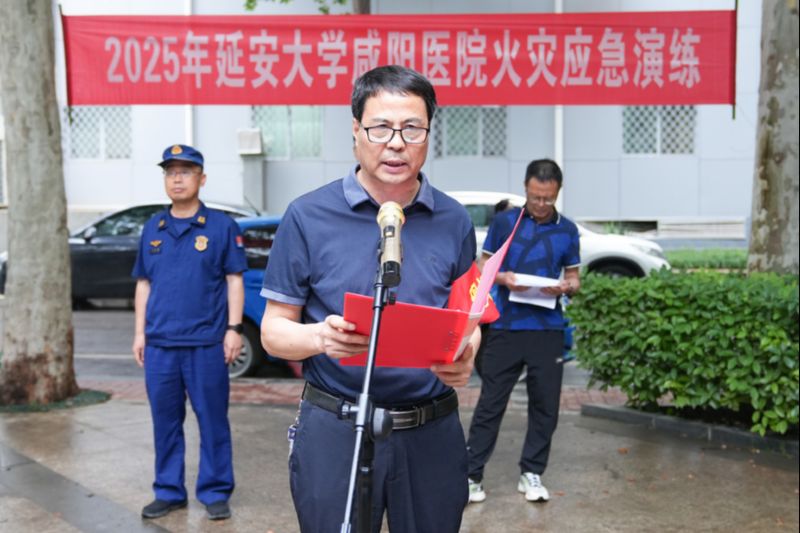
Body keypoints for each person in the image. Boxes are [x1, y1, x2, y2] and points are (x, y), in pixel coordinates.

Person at [260, 65, 481, 533]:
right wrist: (320, 338)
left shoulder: (454, 220)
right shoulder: (307, 216)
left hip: (430, 431)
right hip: (337, 428)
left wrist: (466, 354)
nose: (396, 143)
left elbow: (469, 318)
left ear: (428, 134)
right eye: (381, 127)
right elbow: (274, 331)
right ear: (356, 131)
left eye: (412, 128)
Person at [132, 144, 247, 521]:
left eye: (185, 171)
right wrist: (139, 333)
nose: (176, 178)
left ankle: (215, 491)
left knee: (212, 421)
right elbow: (144, 284)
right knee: (165, 423)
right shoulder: (153, 227)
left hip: (206, 344)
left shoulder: (221, 227)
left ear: (202, 178)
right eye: (170, 172)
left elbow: (234, 280)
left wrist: (234, 329)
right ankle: (168, 491)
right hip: (161, 345)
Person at [466, 159, 580, 504]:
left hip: (548, 328)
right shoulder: (505, 222)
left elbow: (574, 277)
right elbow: (483, 268)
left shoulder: (568, 230)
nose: (541, 204)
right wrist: (504, 278)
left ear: (558, 192)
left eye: (548, 198)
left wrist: (566, 287)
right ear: (526, 189)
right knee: (491, 402)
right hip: (505, 325)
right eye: (535, 197)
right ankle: (471, 475)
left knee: (545, 405)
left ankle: (532, 472)